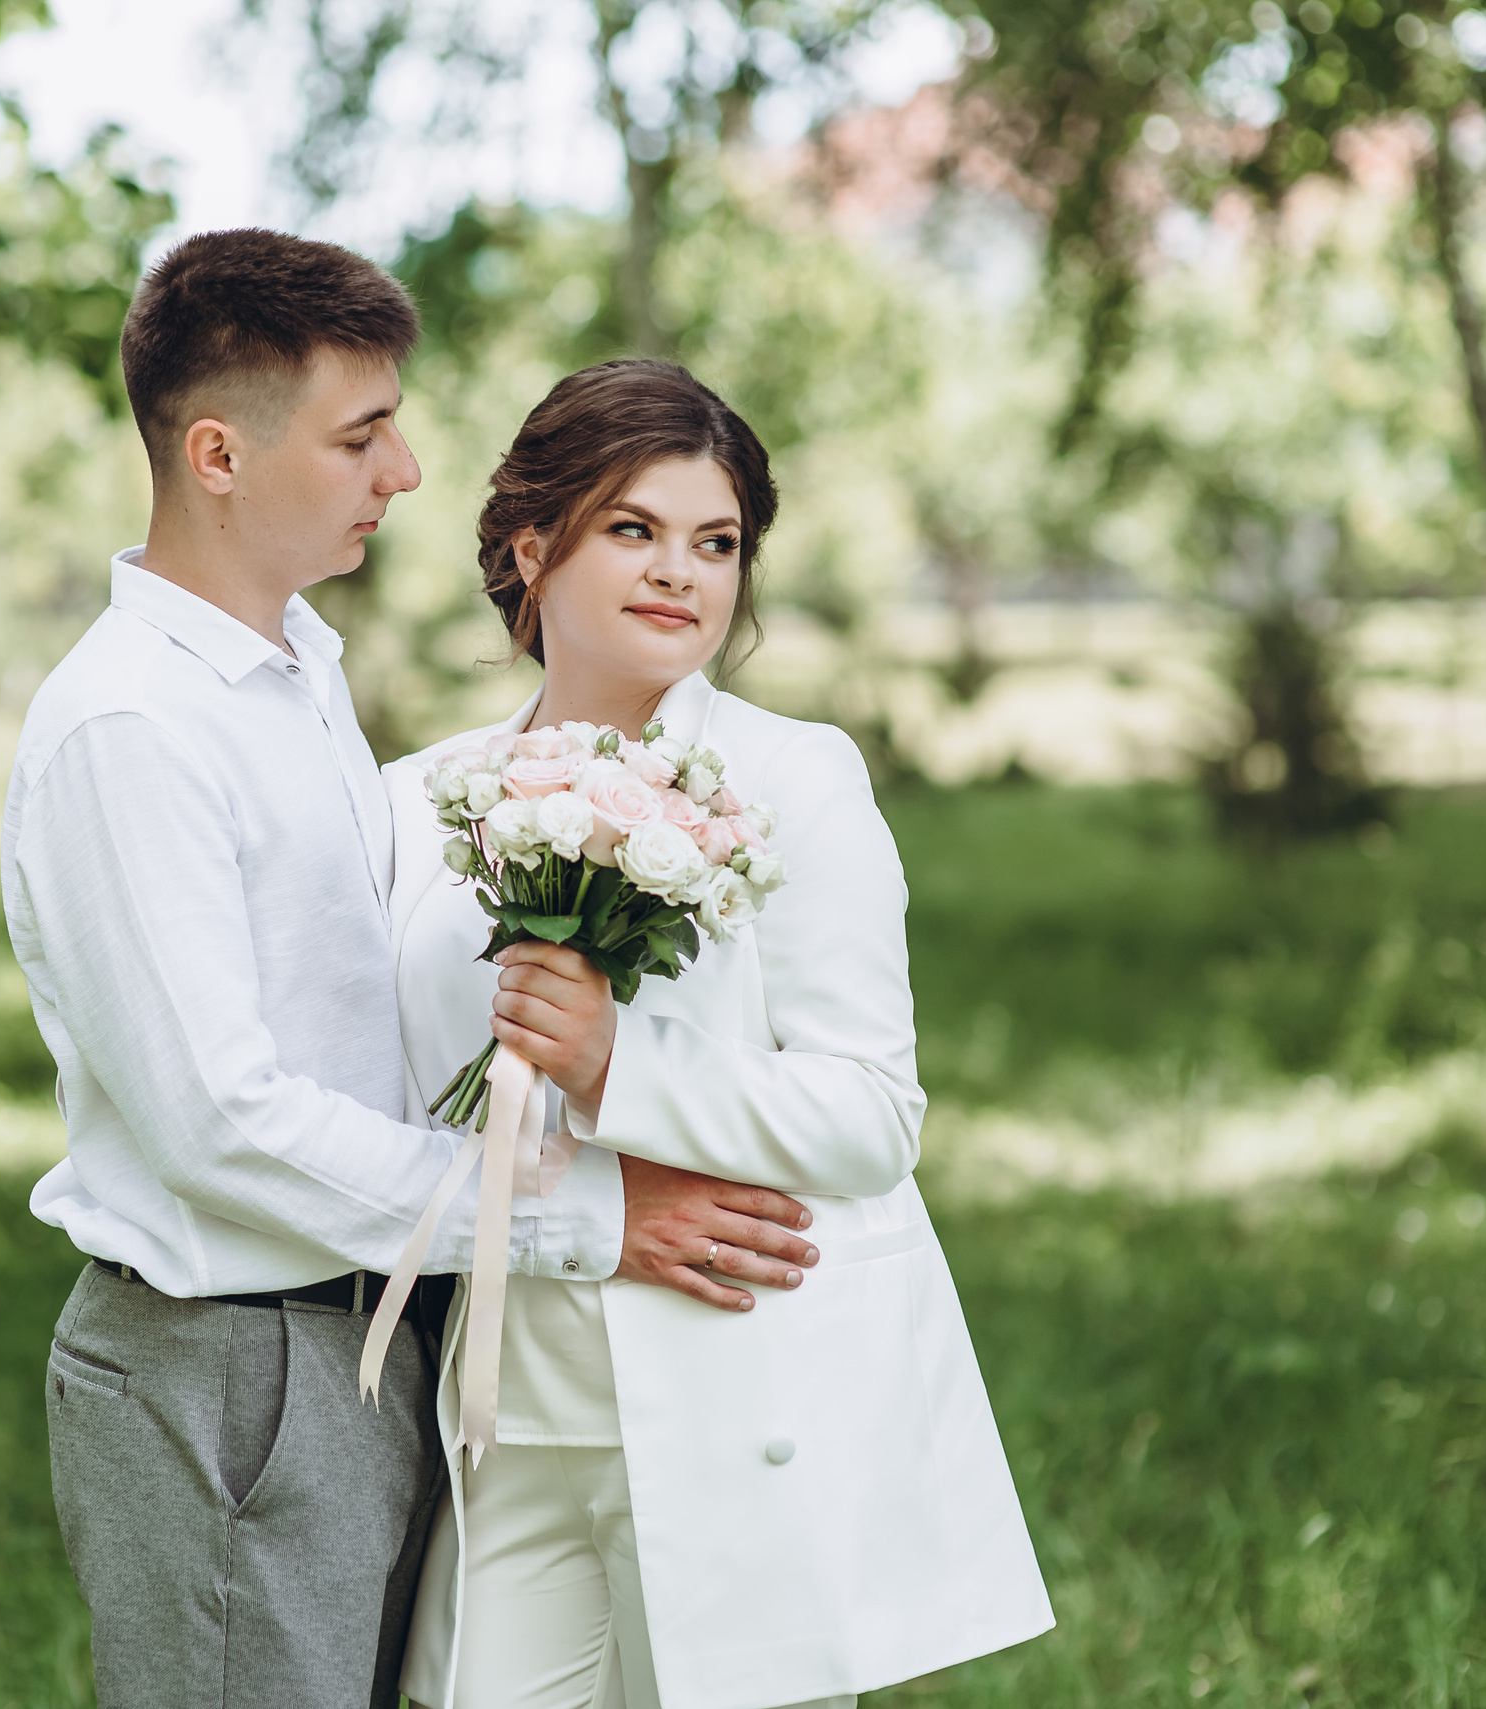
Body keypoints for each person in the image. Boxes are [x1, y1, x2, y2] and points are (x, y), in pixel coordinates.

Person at [0, 233, 823, 1709]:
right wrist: (587, 1216)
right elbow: (221, 1126)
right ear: (218, 454)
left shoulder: (296, 673)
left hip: (373, 1340)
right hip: (229, 1371)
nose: (408, 471)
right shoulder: (131, 728)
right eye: (362, 434)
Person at [385, 360, 1055, 1709]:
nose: (680, 573)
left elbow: (873, 1112)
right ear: (532, 544)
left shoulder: (795, 780)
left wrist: (617, 1066)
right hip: (503, 1415)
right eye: (634, 529)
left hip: (734, 1394)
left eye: (718, 542)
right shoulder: (416, 804)